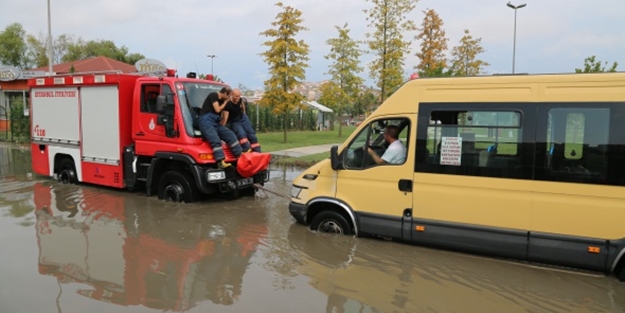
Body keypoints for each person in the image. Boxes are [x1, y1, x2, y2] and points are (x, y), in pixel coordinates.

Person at [197, 87, 242, 168]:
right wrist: (226, 102)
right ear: (225, 93)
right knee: (215, 140)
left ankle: (239, 155)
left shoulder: (222, 100)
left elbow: (224, 115)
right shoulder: (213, 95)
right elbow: (217, 110)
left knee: (230, 135)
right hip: (206, 121)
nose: (229, 98)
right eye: (228, 96)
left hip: (215, 122)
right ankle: (220, 161)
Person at [220, 88, 261, 152]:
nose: (238, 98)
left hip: (242, 118)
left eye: (239, 96)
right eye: (236, 96)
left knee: (251, 134)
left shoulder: (239, 99)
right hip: (234, 121)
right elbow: (225, 118)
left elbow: (242, 104)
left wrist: (245, 114)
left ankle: (257, 151)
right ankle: (247, 149)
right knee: (241, 134)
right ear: (232, 95)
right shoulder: (228, 104)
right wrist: (221, 128)